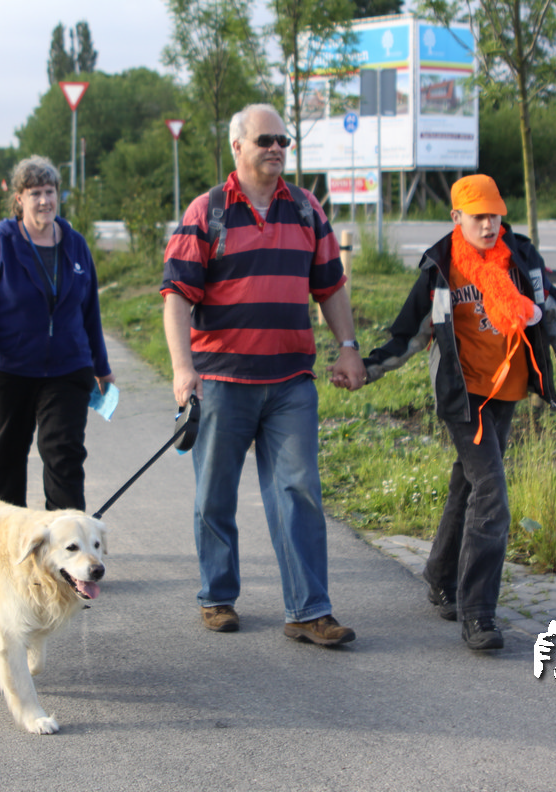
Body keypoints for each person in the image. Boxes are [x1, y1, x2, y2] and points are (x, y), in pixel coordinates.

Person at [161, 103, 366, 647]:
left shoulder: (305, 208)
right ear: (238, 147)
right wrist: (183, 369)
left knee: (299, 491)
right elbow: (176, 297)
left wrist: (348, 348)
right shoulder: (207, 211)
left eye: (283, 141)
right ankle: (217, 596)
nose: (276, 148)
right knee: (215, 495)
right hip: (222, 381)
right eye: (265, 140)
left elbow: (330, 285)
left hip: (290, 381)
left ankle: (309, 611)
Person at [359, 174, 556, 651]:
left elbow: (555, 313)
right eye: (478, 216)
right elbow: (410, 333)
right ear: (456, 217)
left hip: (507, 391)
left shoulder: (521, 259)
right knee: (492, 496)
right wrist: (366, 370)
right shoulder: (442, 267)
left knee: (468, 482)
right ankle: (478, 613)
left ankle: (440, 575)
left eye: (494, 216)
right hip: (463, 398)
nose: (488, 225)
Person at [0, 155, 115, 512]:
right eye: (35, 193)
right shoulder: (0, 244)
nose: (44, 200)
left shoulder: (75, 244)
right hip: (8, 368)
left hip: (67, 368)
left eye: (50, 191)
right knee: (4, 460)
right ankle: (4, 538)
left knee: (64, 455)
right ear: (19, 199)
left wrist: (102, 368)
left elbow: (89, 310)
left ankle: (65, 538)